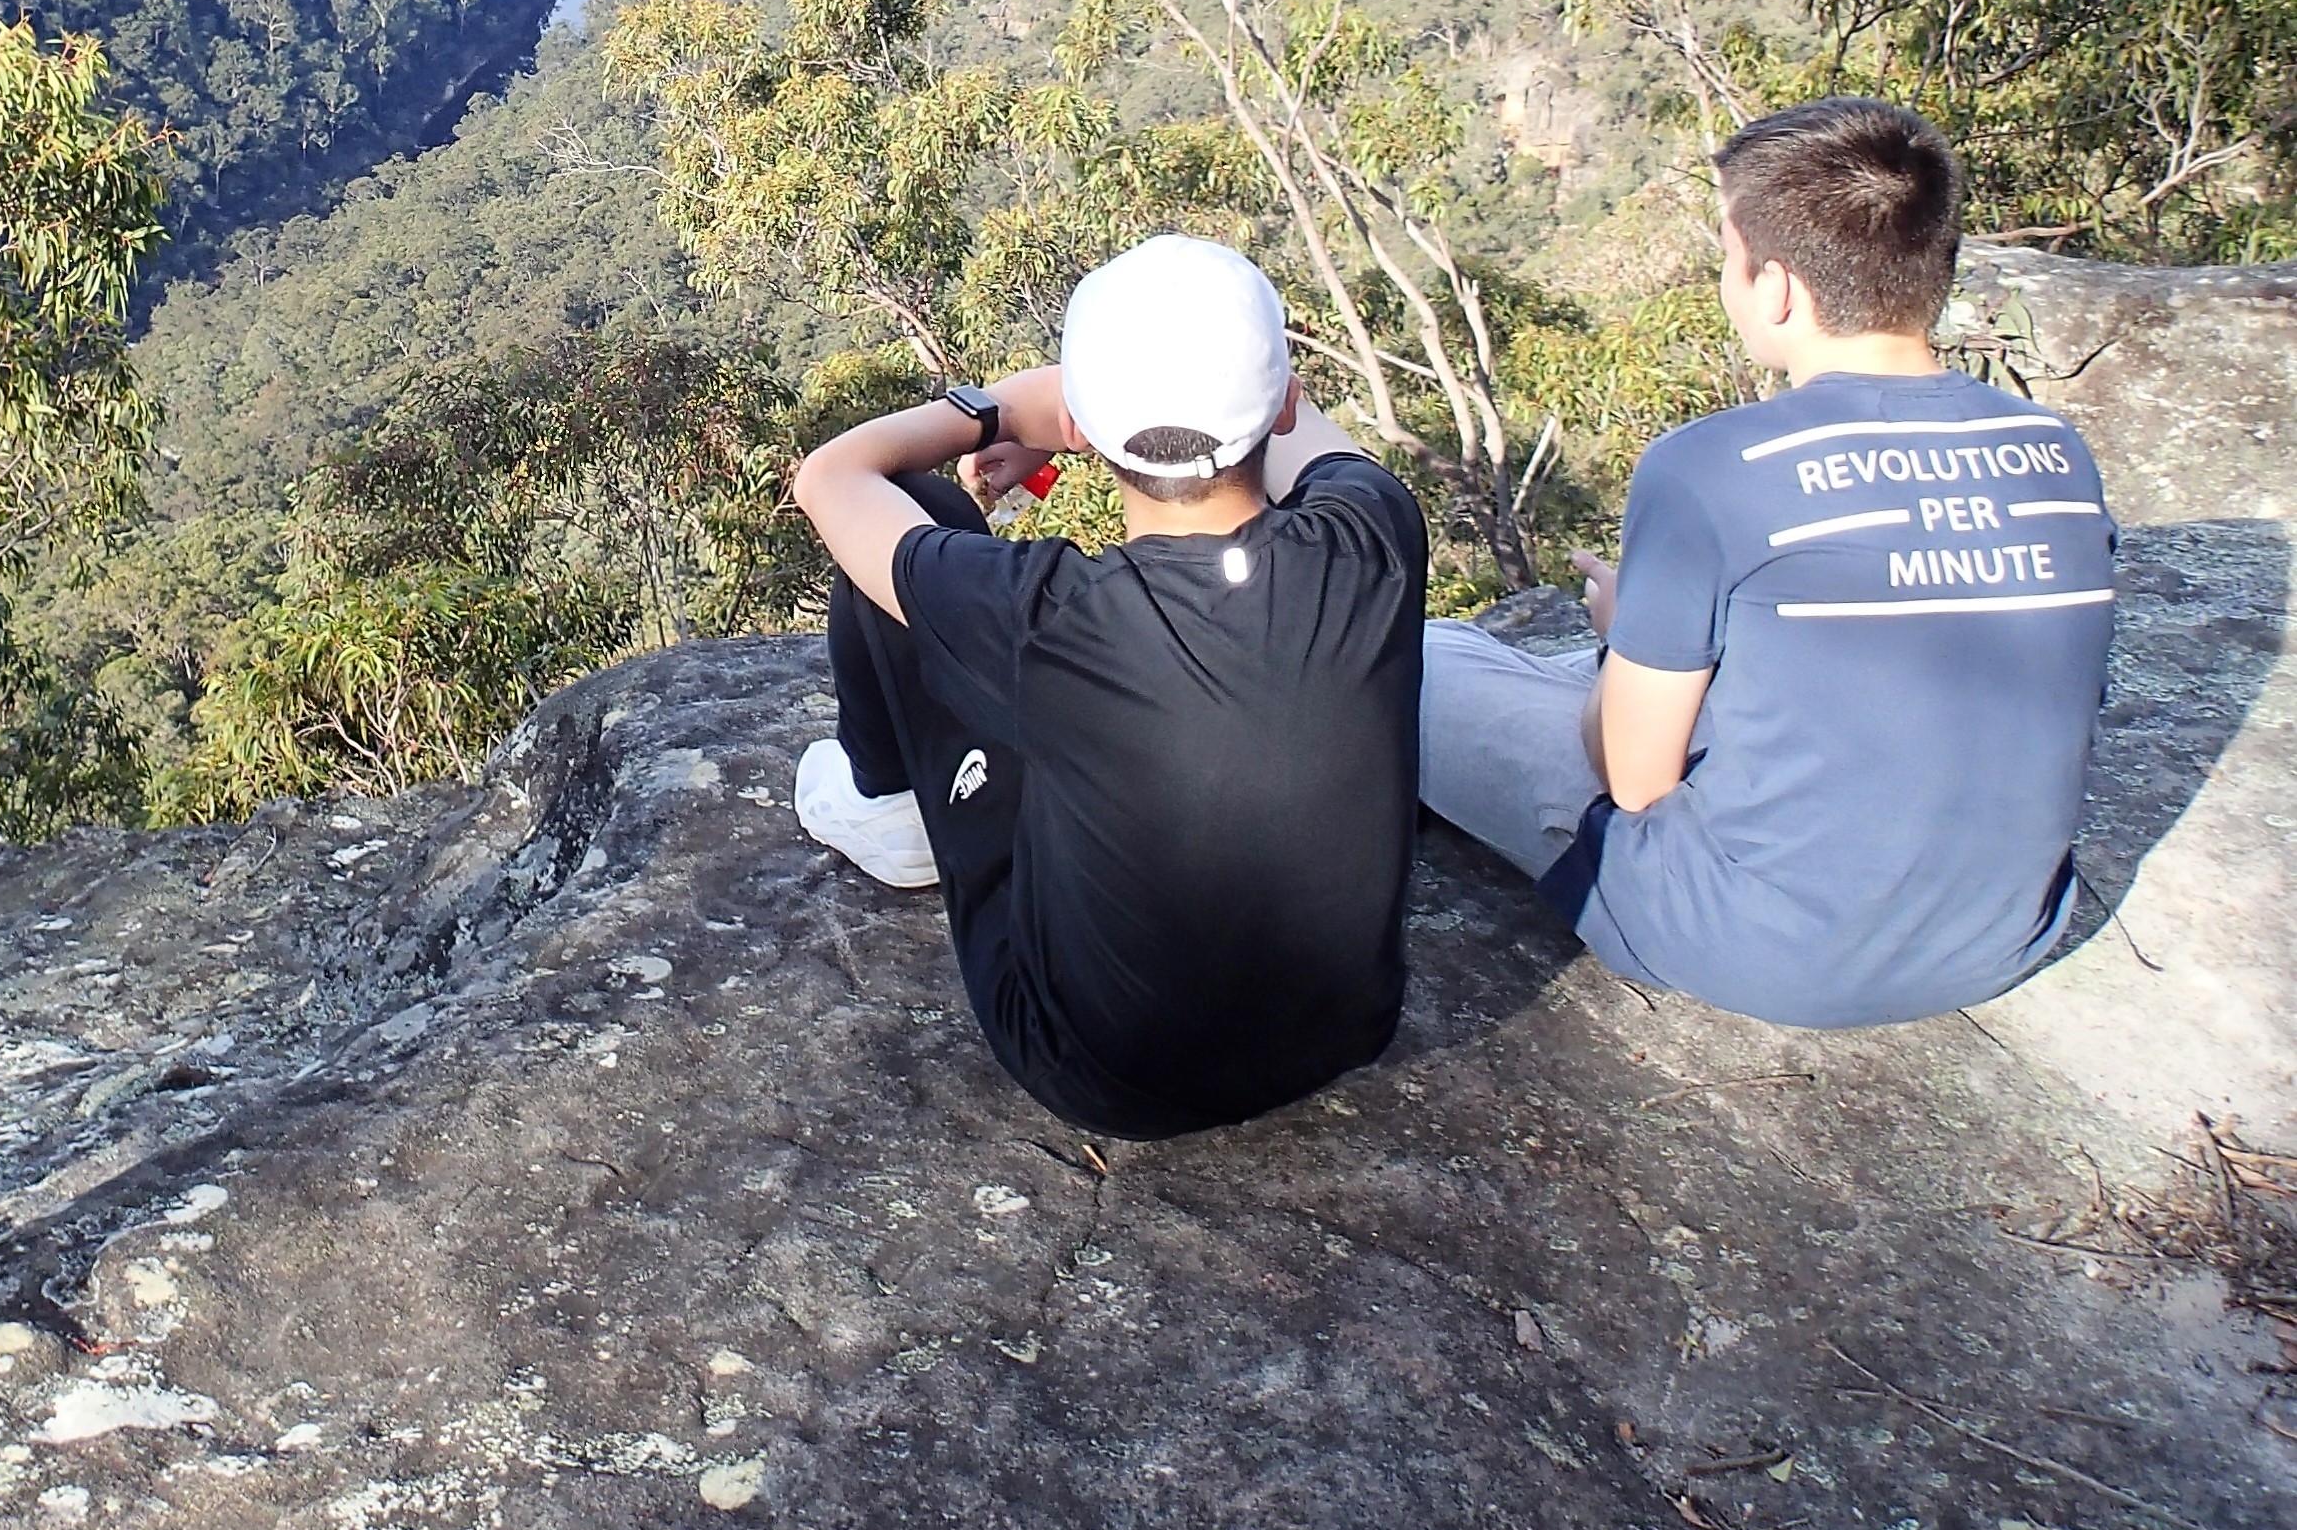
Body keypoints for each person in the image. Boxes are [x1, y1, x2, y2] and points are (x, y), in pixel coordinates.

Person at [1419, 98, 2114, 1026]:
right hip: (1999, 937)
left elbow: (1633, 779)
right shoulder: (2054, 451)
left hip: (1757, 948)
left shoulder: (1711, 468)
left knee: (1420, 662)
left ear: (1777, 288)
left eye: (1725, 256)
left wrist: (1627, 635)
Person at [787, 233, 1428, 1140]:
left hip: (1102, 1072)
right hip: (1343, 1033)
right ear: (1283, 400)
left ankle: (889, 807)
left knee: (924, 511)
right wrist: (1071, 413)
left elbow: (835, 477)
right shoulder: (1372, 538)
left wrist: (990, 415)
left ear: (1081, 431)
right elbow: (1296, 429)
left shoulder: (1050, 621)